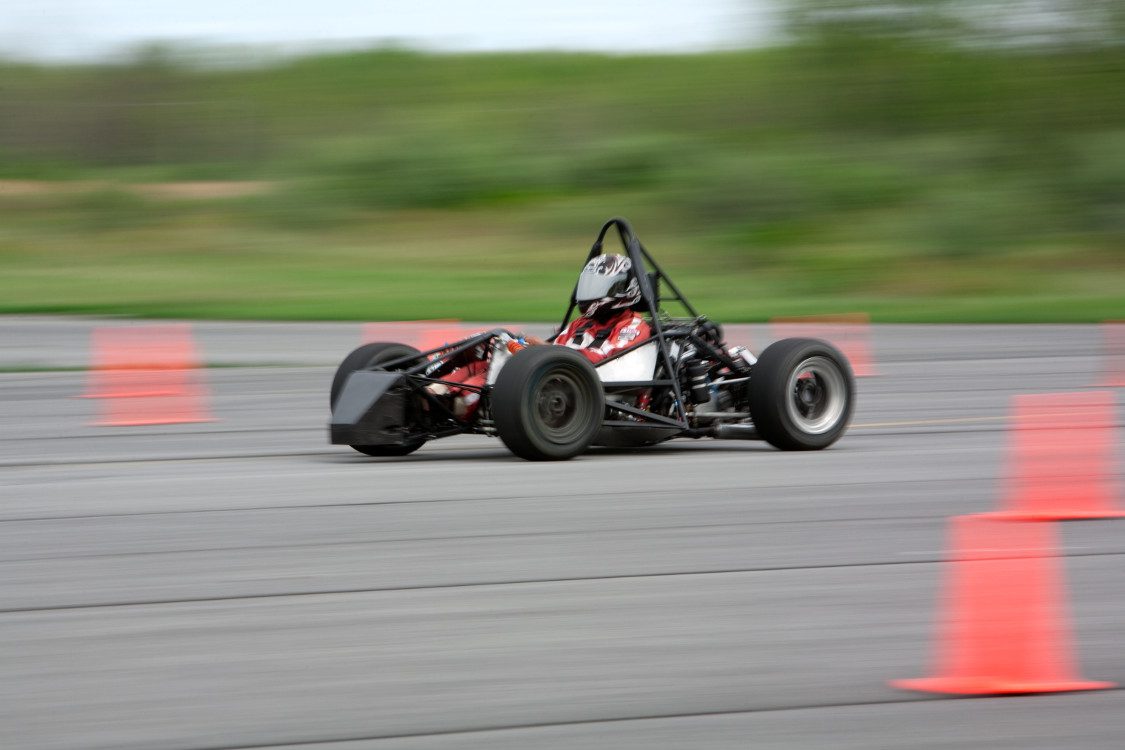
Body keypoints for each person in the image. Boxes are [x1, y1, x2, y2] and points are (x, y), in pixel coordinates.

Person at [431, 253, 652, 419]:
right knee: (493, 349)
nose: (590, 293)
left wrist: (545, 350)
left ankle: (451, 406)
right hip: (561, 371)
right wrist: (534, 346)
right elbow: (558, 346)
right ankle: (435, 388)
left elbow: (603, 358)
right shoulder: (582, 323)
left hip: (587, 382)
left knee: (503, 367)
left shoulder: (632, 325)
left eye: (599, 287)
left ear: (623, 290)